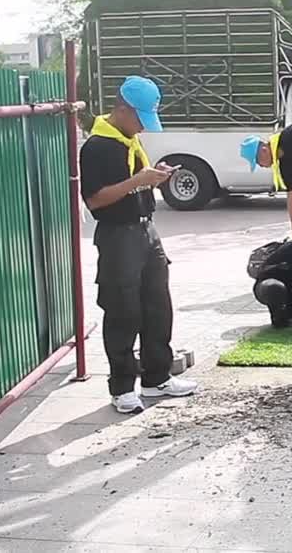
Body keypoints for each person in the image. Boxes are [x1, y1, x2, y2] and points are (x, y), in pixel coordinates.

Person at [79, 76, 198, 414]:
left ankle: (156, 377)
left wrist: (153, 176)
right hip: (118, 237)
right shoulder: (98, 146)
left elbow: (134, 184)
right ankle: (122, 388)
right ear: (122, 109)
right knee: (123, 312)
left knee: (158, 306)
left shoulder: (129, 140)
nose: (142, 128)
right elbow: (96, 200)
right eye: (139, 119)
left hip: (147, 231)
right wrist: (138, 180)